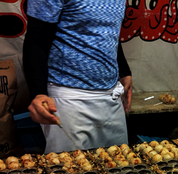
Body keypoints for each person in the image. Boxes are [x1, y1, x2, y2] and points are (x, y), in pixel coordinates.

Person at [23, 0, 132, 153]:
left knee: (118, 168)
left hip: (111, 95)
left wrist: (124, 70)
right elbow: (36, 41)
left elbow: (105, 30)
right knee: (70, 172)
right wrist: (38, 93)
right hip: (69, 98)